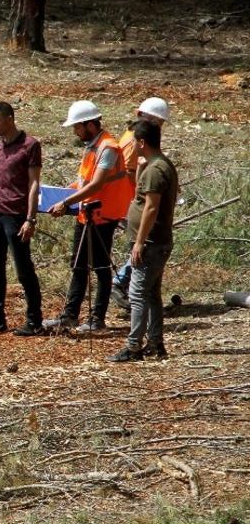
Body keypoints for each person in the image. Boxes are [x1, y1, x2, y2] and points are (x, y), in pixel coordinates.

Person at [44, 100, 135, 334]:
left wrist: (65, 202)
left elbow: (97, 184)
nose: (75, 131)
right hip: (88, 214)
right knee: (79, 266)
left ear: (90, 124)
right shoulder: (94, 146)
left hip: (103, 215)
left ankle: (97, 319)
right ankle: (70, 316)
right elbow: (85, 181)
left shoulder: (109, 148)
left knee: (101, 268)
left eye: (77, 127)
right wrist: (66, 191)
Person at [108, 121, 178, 362]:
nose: (129, 145)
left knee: (137, 293)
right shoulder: (155, 166)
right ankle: (156, 343)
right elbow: (141, 193)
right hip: (156, 242)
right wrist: (139, 168)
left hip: (150, 244)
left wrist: (139, 242)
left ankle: (134, 346)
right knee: (151, 294)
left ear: (141, 142)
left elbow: (150, 207)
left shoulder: (156, 170)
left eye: (133, 140)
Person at [0, 101, 44, 336]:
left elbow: (35, 183)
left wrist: (30, 218)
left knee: (23, 269)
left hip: (15, 216)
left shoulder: (30, 146)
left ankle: (34, 321)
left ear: (10, 119)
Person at [111, 97, 169, 309]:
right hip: (132, 202)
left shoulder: (134, 137)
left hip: (135, 200)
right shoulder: (133, 141)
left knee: (142, 245)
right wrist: (141, 194)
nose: (160, 128)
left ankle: (129, 286)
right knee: (143, 244)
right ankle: (121, 284)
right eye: (158, 123)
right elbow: (127, 171)